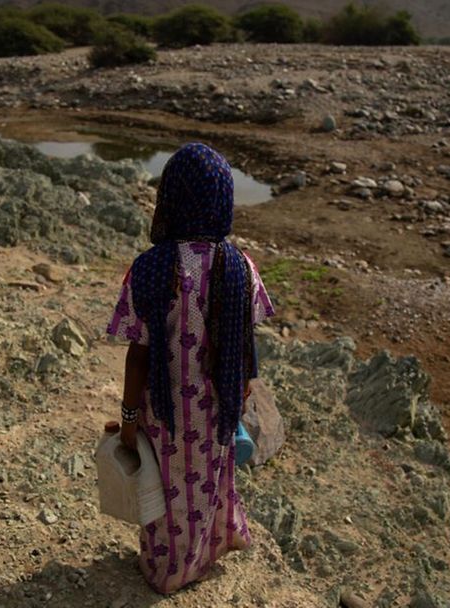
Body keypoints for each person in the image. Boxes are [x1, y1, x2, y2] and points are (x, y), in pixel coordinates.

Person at [107, 142, 274, 594]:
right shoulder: (239, 266)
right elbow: (244, 341)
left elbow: (137, 352)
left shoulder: (149, 269)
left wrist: (126, 418)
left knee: (164, 491)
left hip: (163, 410)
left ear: (170, 198)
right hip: (215, 407)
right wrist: (241, 394)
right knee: (207, 486)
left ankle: (168, 570)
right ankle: (204, 554)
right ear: (223, 199)